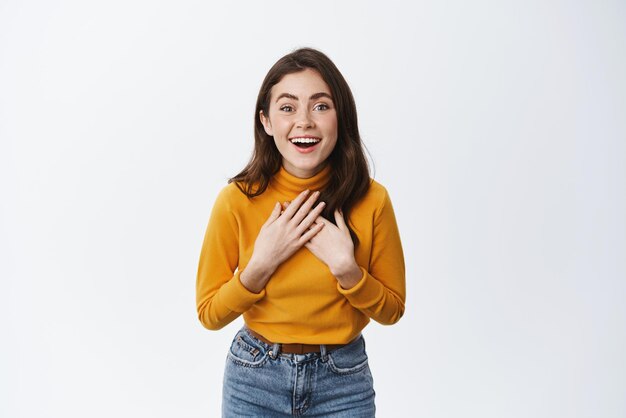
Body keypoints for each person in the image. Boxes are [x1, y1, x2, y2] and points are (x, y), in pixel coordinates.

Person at [196, 47, 406, 417]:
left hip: (343, 381)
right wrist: (260, 265)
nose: (305, 121)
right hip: (254, 379)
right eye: (287, 107)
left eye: (321, 106)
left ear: (341, 117)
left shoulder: (373, 200)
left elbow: (392, 311)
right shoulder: (236, 200)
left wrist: (349, 272)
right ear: (266, 121)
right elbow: (209, 313)